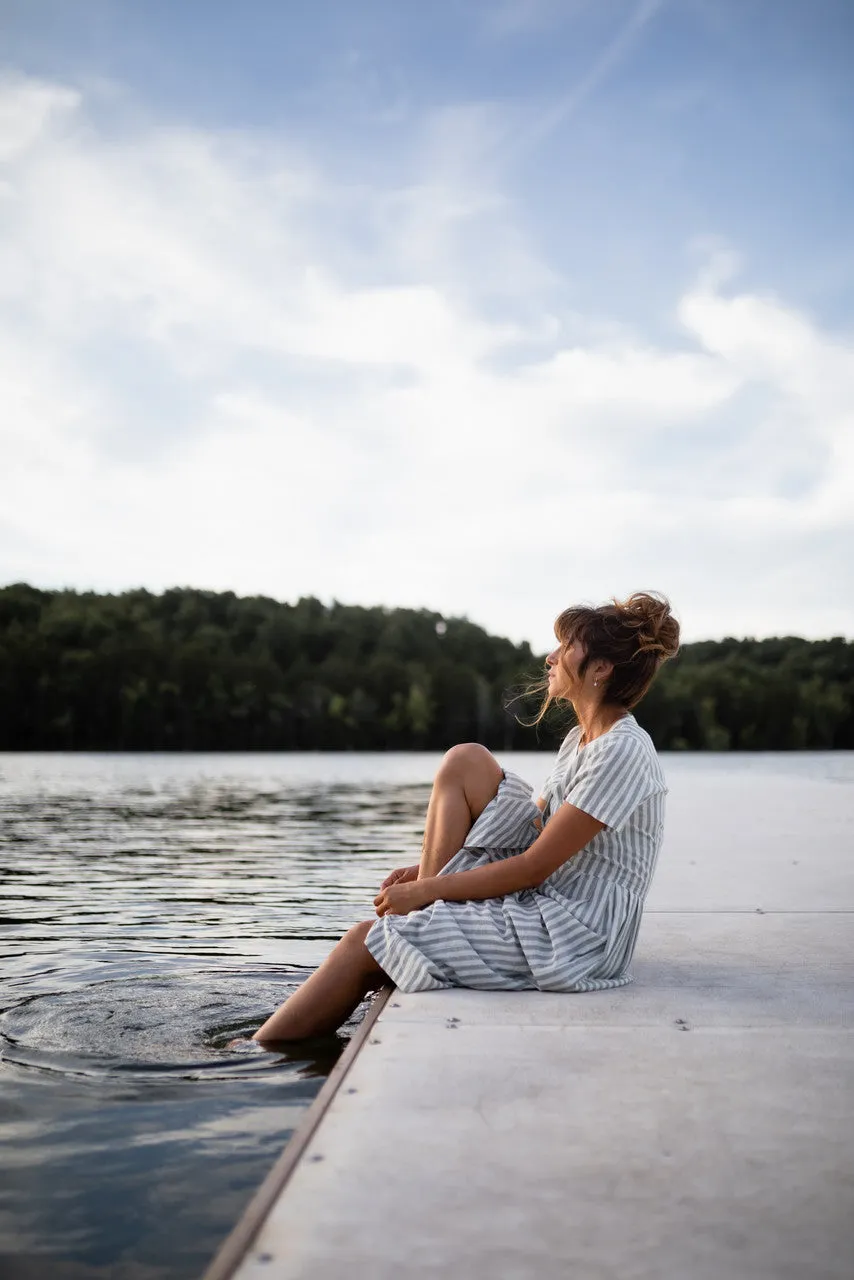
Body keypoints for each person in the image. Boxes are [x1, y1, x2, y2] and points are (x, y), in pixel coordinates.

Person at [251, 591, 680, 1043]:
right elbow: (532, 835)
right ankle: (421, 928)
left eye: (565, 647)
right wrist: (424, 874)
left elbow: (534, 867)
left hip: (578, 937)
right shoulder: (581, 740)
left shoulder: (623, 750)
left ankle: (255, 1055)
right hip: (549, 902)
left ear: (601, 669)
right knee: (466, 760)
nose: (550, 657)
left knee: (364, 941)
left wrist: (426, 890)